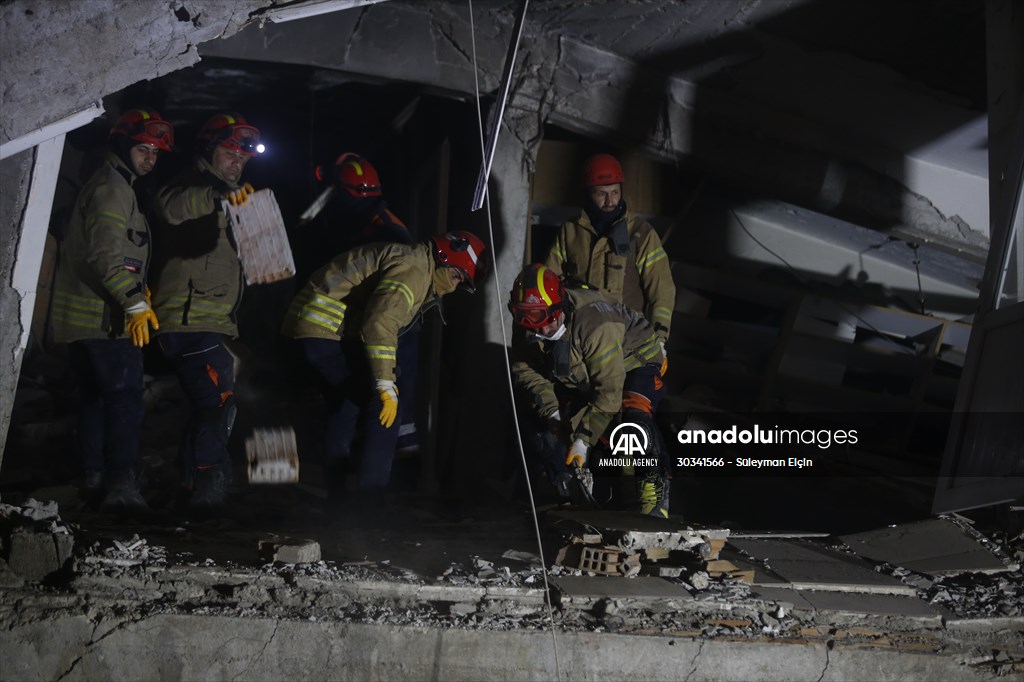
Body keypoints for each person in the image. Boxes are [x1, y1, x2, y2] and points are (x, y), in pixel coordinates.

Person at [281, 231, 486, 500]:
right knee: (382, 405)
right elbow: (380, 323)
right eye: (456, 276)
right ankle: (370, 500)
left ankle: (338, 497)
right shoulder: (414, 271)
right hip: (323, 331)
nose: (454, 286)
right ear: (444, 257)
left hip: (317, 328)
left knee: (347, 404)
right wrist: (385, 384)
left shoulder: (414, 262)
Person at [51, 108, 174, 510]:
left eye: (156, 152)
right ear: (123, 145)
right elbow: (106, 254)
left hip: (85, 319)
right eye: (143, 148)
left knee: (95, 400)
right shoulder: (112, 188)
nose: (150, 158)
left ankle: (94, 478)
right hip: (105, 321)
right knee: (124, 400)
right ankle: (122, 487)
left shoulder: (112, 183)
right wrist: (135, 301)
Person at [149, 112, 261, 511]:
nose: (237, 163)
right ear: (207, 151)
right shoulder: (189, 184)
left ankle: (189, 483)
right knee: (218, 400)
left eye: (243, 158)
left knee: (208, 404)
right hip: (186, 316)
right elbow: (171, 208)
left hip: (214, 321)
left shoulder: (233, 196)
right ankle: (209, 488)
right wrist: (217, 196)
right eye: (230, 153)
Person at [508, 264, 671, 517]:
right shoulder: (528, 325)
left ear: (557, 308)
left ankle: (654, 499)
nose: (538, 330)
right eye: (526, 319)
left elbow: (609, 391)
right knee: (545, 423)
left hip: (634, 360)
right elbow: (526, 371)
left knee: (633, 421)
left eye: (541, 319)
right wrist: (554, 416)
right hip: (582, 373)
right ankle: (576, 494)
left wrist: (583, 440)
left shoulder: (595, 324)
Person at [543, 153, 675, 343]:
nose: (610, 201)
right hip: (581, 335)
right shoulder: (571, 231)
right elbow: (550, 279)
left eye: (615, 192)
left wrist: (659, 339)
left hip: (628, 339)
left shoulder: (641, 233)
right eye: (601, 194)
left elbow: (661, 290)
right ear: (588, 193)